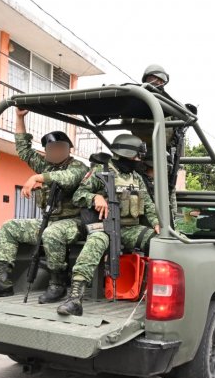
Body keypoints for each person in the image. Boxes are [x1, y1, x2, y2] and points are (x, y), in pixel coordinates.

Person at [0, 108, 89, 302]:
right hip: (49, 221)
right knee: (10, 227)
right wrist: (19, 118)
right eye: (52, 148)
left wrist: (37, 177)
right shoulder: (45, 165)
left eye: (61, 147)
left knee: (51, 233)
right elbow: (24, 150)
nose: (56, 151)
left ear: (68, 149)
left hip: (74, 223)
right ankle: (3, 281)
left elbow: (68, 178)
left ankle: (57, 284)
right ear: (46, 152)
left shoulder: (78, 167)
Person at [57, 134, 160, 316]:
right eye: (136, 157)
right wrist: (95, 197)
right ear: (125, 154)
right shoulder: (101, 171)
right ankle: (75, 298)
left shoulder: (136, 177)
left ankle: (162, 293)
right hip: (104, 225)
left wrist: (157, 224)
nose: (139, 161)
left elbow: (149, 207)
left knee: (161, 242)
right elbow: (78, 195)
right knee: (96, 242)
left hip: (130, 228)